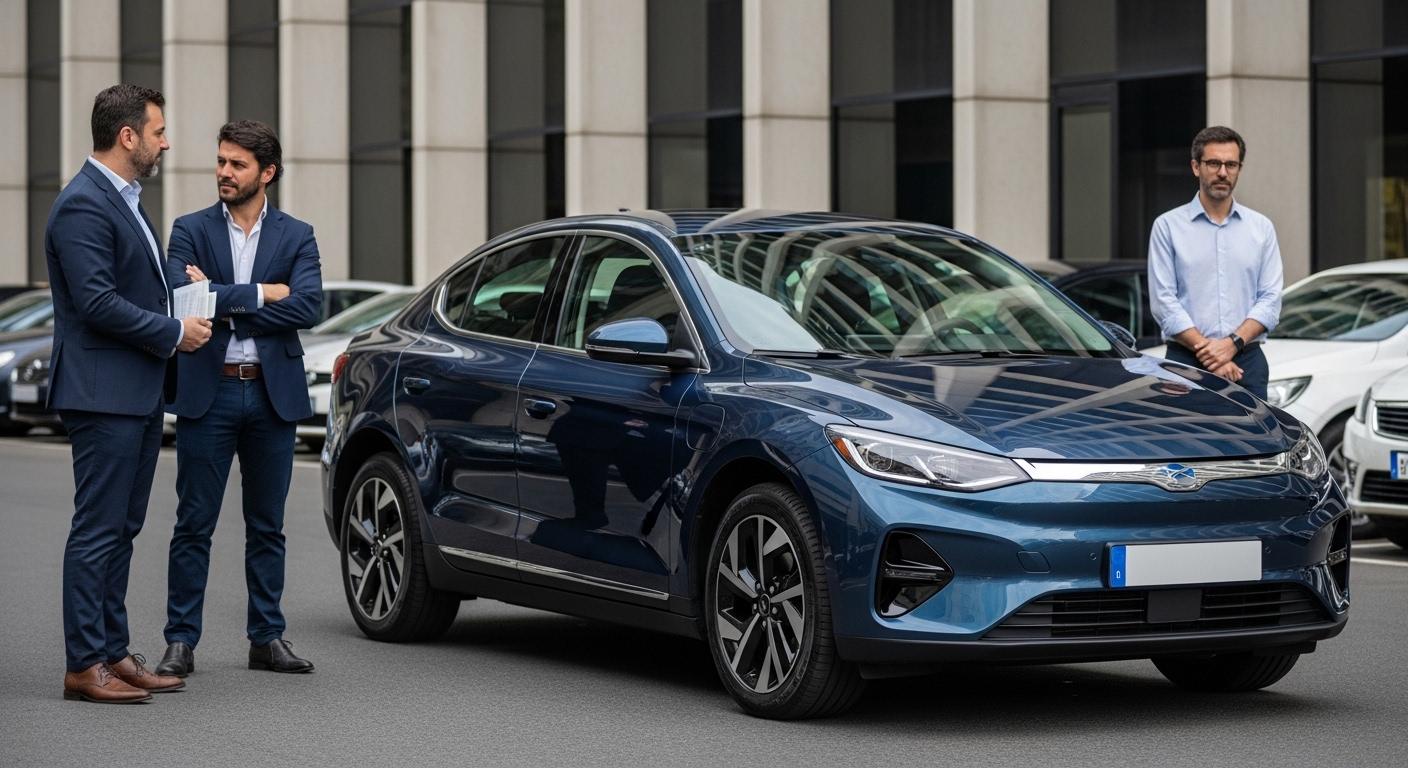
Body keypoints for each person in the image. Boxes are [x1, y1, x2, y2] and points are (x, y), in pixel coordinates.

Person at [49, 84, 211, 703]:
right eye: (159, 131)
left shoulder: (126, 199)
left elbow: (140, 281)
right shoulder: (83, 204)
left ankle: (113, 653)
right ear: (128, 136)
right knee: (97, 530)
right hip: (102, 393)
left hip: (136, 391)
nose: (165, 142)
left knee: (123, 528)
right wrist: (174, 331)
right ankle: (83, 664)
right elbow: (95, 303)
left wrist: (185, 287)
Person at [154, 120, 323, 677]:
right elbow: (182, 298)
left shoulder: (297, 235)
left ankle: (266, 638)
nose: (224, 172)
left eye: (237, 164)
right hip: (211, 391)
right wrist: (261, 293)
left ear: (266, 173)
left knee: (267, 525)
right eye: (221, 161)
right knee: (193, 523)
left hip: (272, 397)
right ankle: (180, 640)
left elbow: (307, 308)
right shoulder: (190, 229)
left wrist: (222, 298)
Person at [1148, 125, 1283, 400]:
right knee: (1184, 441)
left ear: (1239, 169)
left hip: (1247, 363)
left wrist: (1231, 345)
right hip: (1183, 363)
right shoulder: (1167, 227)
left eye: (1231, 164)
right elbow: (1164, 302)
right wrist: (1213, 355)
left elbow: (1270, 299)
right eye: (1214, 163)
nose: (1223, 172)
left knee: (1255, 443)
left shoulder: (1261, 228)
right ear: (1196, 167)